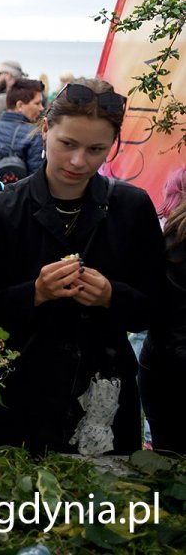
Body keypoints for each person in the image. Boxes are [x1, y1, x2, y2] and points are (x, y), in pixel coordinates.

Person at [0, 78, 165, 455]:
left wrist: (112, 296)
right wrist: (34, 293)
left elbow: (157, 309)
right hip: (16, 402)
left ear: (112, 145)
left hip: (103, 398)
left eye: (96, 149)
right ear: (46, 128)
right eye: (68, 144)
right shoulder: (2, 212)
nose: (78, 161)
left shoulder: (132, 208)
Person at [139, 166, 186, 455]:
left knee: (169, 461)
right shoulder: (176, 232)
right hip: (169, 363)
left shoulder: (173, 228)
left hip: (162, 363)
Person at [0, 78, 46, 183]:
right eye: (37, 103)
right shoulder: (34, 135)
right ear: (20, 105)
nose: (41, 108)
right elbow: (37, 180)